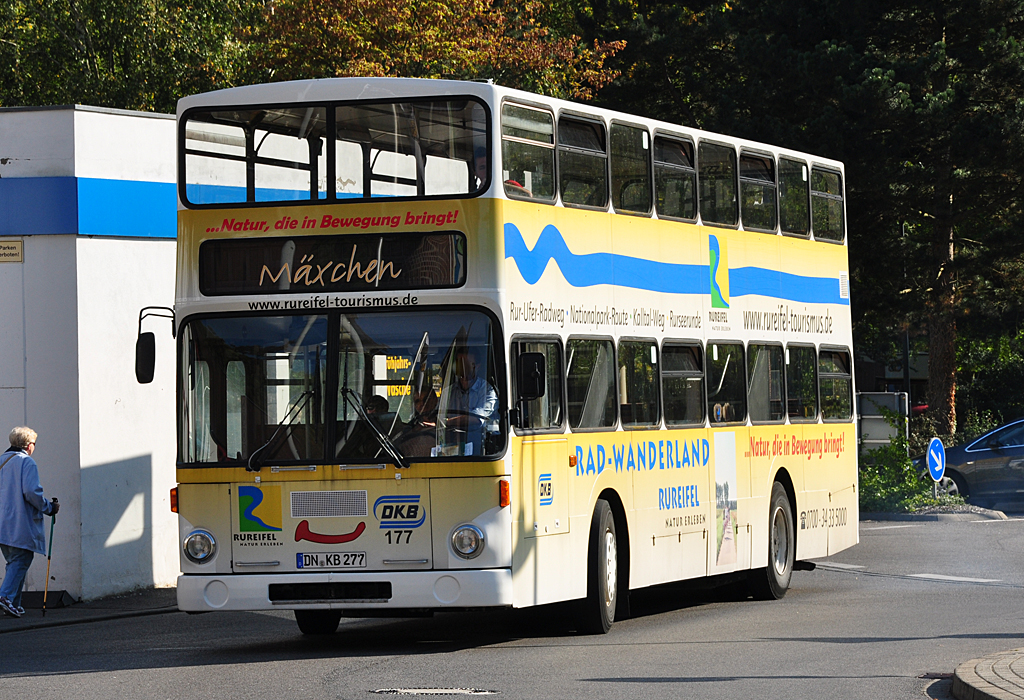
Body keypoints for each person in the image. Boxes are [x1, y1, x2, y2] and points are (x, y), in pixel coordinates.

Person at [0, 426, 58, 618]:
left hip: (2, 524)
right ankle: (5, 597)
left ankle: (13, 604)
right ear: (28, 444)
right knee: (21, 559)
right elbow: (32, 492)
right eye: (34, 443)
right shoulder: (26, 462)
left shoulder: (2, 461)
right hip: (18, 522)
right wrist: (49, 508)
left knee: (14, 560)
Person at [446, 349, 498, 455]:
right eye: (459, 364)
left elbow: (477, 418)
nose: (463, 368)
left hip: (482, 449)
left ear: (477, 366)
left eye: (466, 364)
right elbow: (438, 415)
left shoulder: (487, 390)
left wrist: (447, 422)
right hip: (451, 448)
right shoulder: (449, 392)